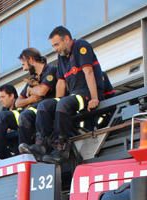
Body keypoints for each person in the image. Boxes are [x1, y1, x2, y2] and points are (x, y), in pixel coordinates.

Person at [35, 26, 106, 164]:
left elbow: (89, 72)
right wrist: (56, 101)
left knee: (64, 104)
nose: (55, 48)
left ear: (66, 39)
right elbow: (61, 83)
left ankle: (62, 148)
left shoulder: (81, 46)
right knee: (44, 105)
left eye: (56, 44)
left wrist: (94, 98)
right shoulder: (61, 57)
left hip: (86, 93)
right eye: (53, 45)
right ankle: (42, 145)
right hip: (73, 95)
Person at [15, 48, 59, 156]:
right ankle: (25, 151)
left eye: (23, 64)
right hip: (37, 108)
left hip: (50, 107)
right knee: (24, 116)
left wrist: (31, 90)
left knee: (32, 112)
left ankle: (42, 146)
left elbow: (42, 91)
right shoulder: (33, 78)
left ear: (30, 59)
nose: (24, 68)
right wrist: (30, 99)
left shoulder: (51, 69)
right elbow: (17, 103)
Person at [0, 84, 22, 160]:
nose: (0, 100)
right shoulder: (4, 110)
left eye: (3, 97)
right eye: (0, 97)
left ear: (11, 96)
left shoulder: (21, 105)